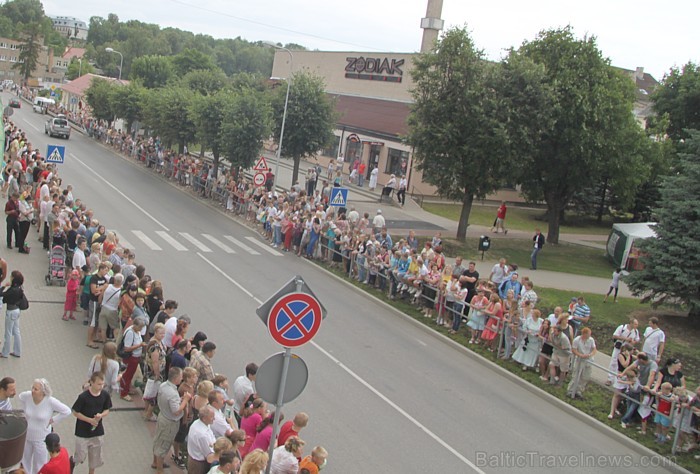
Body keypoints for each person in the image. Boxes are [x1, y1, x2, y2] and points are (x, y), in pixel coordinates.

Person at [19, 379, 71, 474]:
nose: (33, 390)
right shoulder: (27, 396)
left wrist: (53, 420)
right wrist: (24, 411)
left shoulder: (50, 401)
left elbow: (67, 411)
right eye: (33, 388)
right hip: (27, 436)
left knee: (40, 464)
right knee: (25, 461)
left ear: (43, 392)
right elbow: (20, 397)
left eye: (36, 389)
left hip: (41, 439)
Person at [71, 373, 112, 474]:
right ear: (91, 383)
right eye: (98, 384)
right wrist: (89, 420)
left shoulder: (104, 395)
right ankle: (71, 463)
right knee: (80, 456)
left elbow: (107, 409)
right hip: (82, 432)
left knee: (95, 458)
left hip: (97, 431)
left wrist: (101, 415)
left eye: (102, 384)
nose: (101, 387)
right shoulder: (83, 397)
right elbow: (75, 412)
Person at [152, 367, 191, 474]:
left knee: (158, 440)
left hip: (162, 416)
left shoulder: (163, 385)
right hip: (170, 422)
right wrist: (186, 400)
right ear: (176, 378)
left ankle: (155, 462)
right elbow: (177, 411)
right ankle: (159, 470)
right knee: (164, 444)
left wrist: (180, 401)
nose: (182, 378)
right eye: (181, 376)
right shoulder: (172, 393)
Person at [118, 317, 147, 402]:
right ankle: (124, 393)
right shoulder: (130, 332)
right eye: (140, 327)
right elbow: (127, 348)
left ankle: (127, 388)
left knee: (130, 375)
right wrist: (140, 345)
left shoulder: (136, 331)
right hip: (131, 358)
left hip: (135, 357)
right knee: (127, 375)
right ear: (135, 325)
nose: (141, 329)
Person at [566, 327, 598, 399]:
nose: (589, 336)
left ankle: (579, 391)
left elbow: (594, 349)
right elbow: (574, 349)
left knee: (585, 376)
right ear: (584, 334)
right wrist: (580, 355)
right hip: (579, 360)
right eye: (588, 334)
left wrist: (590, 355)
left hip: (588, 360)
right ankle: (570, 390)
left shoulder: (591, 340)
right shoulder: (577, 340)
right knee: (576, 375)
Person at [606, 318, 640, 385]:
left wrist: (633, 342)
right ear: (631, 323)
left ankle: (618, 380)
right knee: (614, 362)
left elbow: (637, 339)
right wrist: (625, 339)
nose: (636, 325)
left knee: (623, 364)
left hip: (626, 350)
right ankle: (610, 379)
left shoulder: (635, 331)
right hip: (619, 347)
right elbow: (615, 336)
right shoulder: (622, 327)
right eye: (635, 324)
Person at [1, 270, 26, 358]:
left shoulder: (12, 290)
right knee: (16, 331)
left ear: (14, 279)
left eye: (11, 276)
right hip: (17, 311)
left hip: (10, 312)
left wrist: (3, 286)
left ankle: (5, 353)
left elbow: (2, 295)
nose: (10, 278)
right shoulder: (19, 288)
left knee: (8, 333)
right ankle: (17, 351)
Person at [187, 405, 217, 474]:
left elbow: (212, 437)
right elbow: (209, 455)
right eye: (212, 417)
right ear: (204, 418)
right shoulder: (202, 434)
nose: (214, 418)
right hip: (199, 465)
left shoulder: (199, 423)